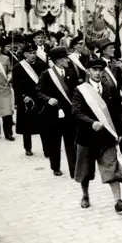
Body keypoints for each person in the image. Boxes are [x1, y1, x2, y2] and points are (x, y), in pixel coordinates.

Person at [71, 58, 122, 213]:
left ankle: (118, 201)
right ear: (88, 71)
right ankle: (85, 195)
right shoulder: (80, 90)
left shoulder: (110, 88)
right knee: (85, 170)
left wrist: (119, 132)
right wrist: (91, 123)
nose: (97, 73)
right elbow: (76, 112)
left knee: (112, 167)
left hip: (106, 137)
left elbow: (118, 112)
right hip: (86, 136)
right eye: (94, 70)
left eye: (100, 70)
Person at [36, 46, 78, 177]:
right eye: (65, 57)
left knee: (71, 143)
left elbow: (76, 91)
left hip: (69, 113)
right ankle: (55, 167)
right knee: (55, 142)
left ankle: (73, 169)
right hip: (53, 114)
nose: (68, 60)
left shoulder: (71, 72)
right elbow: (38, 91)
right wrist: (48, 99)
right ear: (58, 60)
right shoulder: (46, 74)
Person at [96, 37, 122, 169]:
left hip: (118, 103)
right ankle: (111, 158)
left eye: (113, 47)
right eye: (111, 48)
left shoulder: (116, 63)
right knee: (110, 132)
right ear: (103, 51)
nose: (114, 50)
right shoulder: (97, 64)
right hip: (104, 103)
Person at [12, 43, 49, 156]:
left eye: (34, 53)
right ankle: (27, 147)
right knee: (26, 126)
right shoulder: (18, 67)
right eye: (30, 53)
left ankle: (46, 149)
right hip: (27, 99)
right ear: (24, 54)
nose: (33, 55)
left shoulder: (42, 65)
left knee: (44, 125)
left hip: (40, 98)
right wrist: (23, 96)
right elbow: (16, 85)